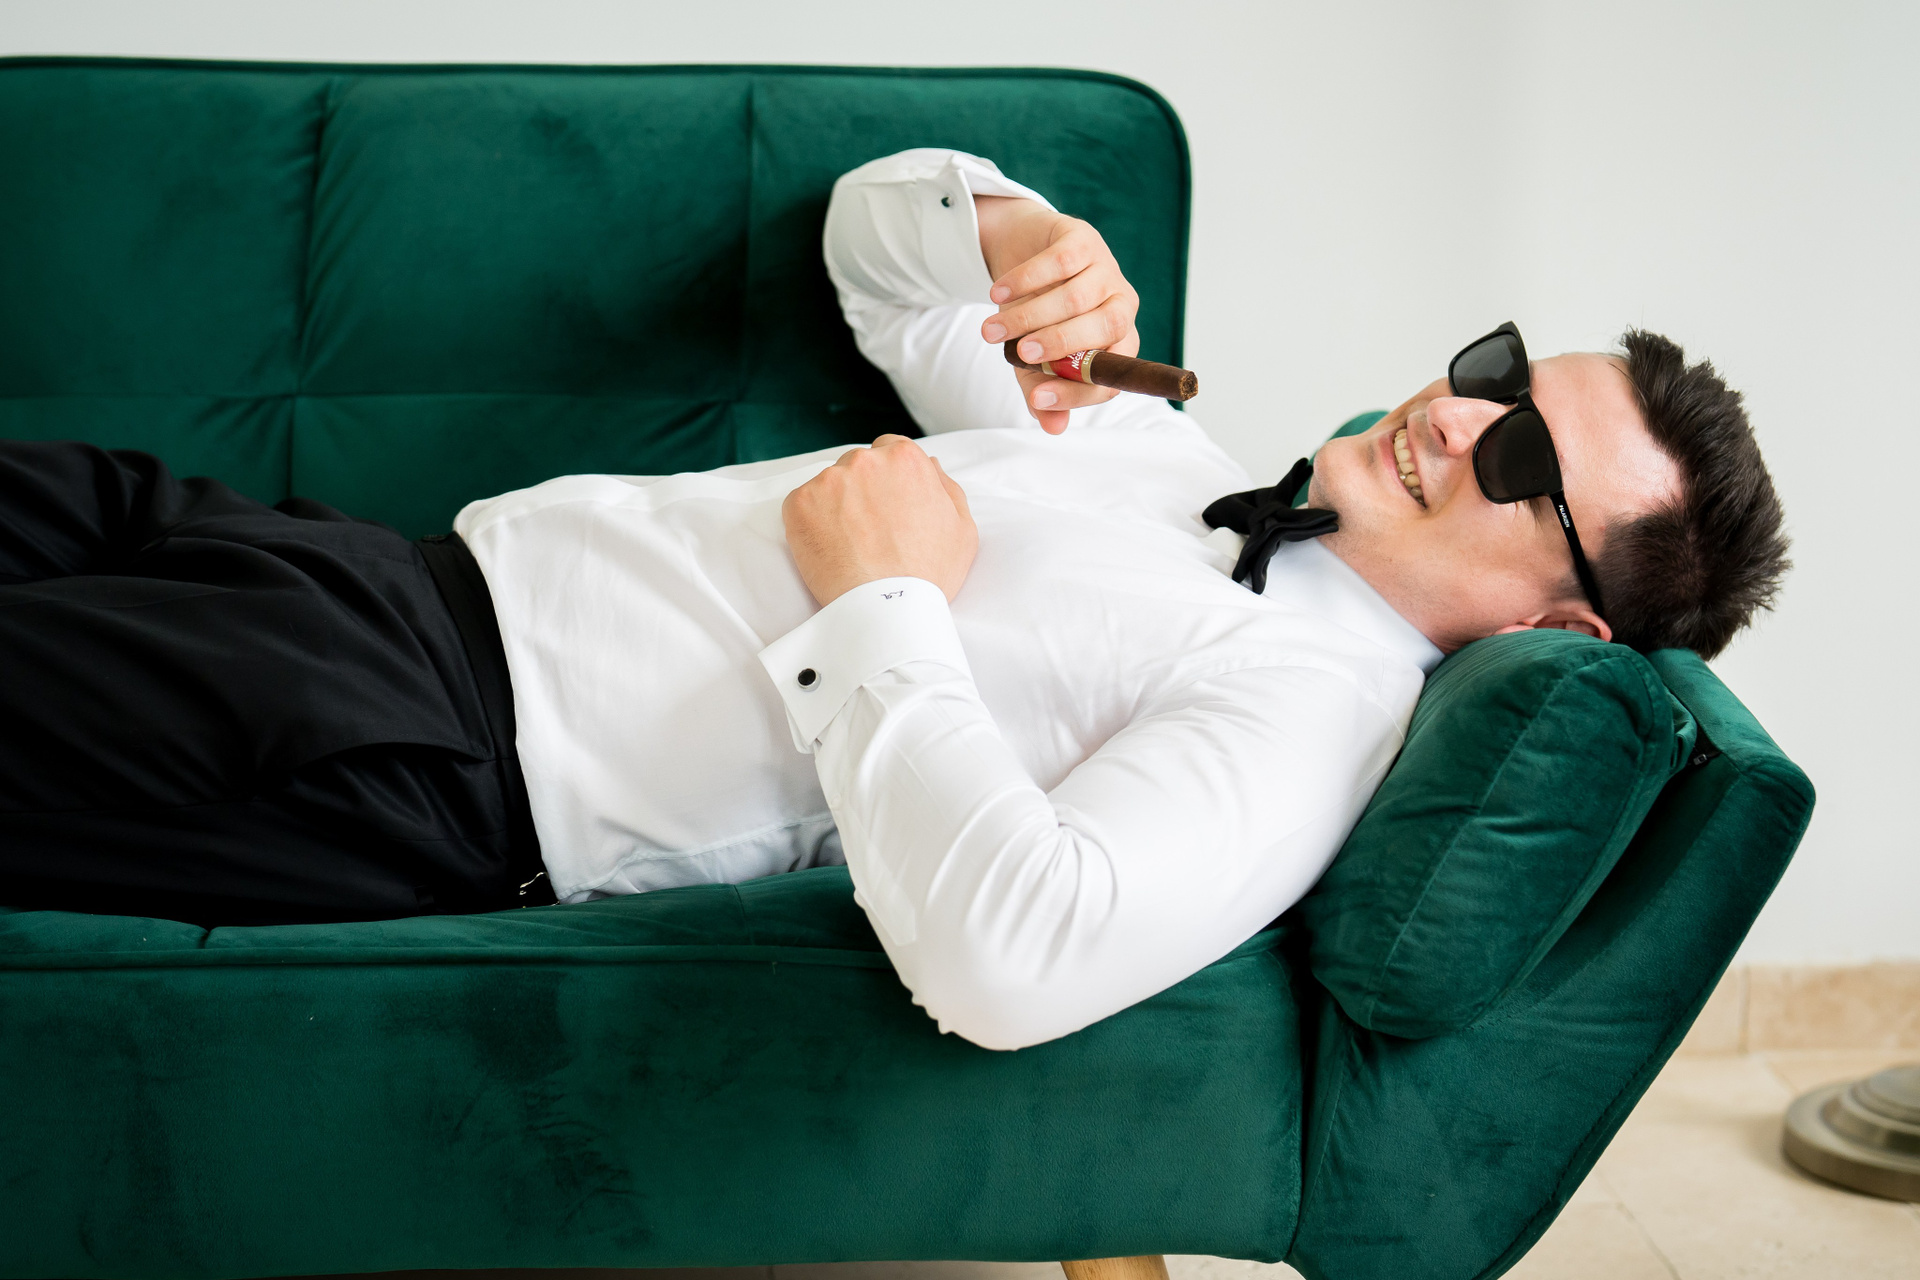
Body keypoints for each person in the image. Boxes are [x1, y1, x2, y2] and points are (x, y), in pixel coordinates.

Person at [0, 150, 1788, 1050]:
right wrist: (1011, 230)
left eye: (1520, 458)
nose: (1457, 418)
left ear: (1562, 627)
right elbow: (878, 257)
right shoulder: (1160, 449)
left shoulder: (1305, 721)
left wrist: (881, 607)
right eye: (1497, 375)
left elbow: (1017, 962)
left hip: (422, 745)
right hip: (361, 568)